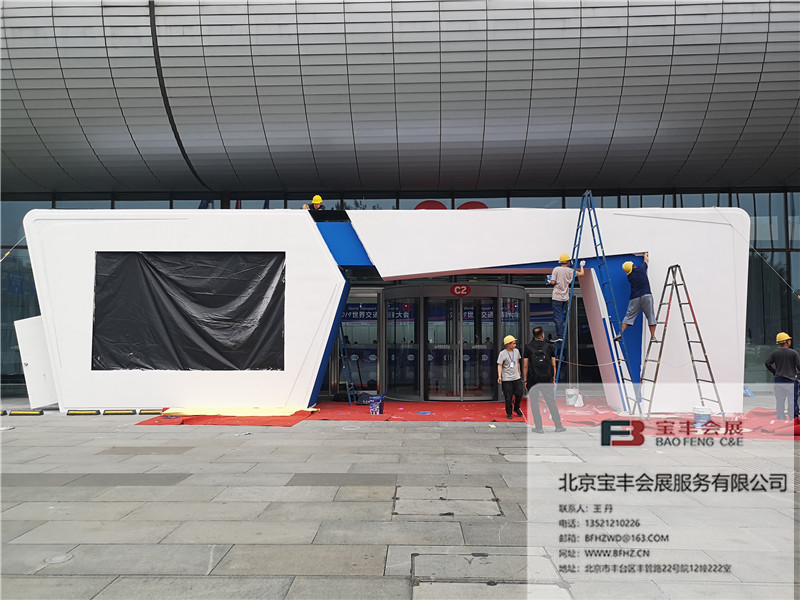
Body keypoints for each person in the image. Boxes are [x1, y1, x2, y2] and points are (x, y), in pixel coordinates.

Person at [523, 327, 566, 433]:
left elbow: (525, 365)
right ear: (543, 335)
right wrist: (553, 378)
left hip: (533, 379)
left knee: (534, 403)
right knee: (551, 402)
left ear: (533, 336)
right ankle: (558, 426)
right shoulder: (549, 346)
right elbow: (553, 365)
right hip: (547, 379)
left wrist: (525, 380)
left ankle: (539, 427)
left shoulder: (528, 347)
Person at [614, 252, 657, 343]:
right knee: (650, 316)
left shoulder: (629, 277)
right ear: (633, 266)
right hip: (646, 296)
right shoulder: (641, 269)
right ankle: (653, 336)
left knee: (628, 316)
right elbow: (646, 261)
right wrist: (645, 254)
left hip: (635, 298)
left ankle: (620, 333)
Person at [764, 332, 800, 421]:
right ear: (787, 341)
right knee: (792, 401)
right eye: (789, 340)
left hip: (779, 380)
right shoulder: (793, 353)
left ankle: (780, 418)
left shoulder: (775, 353)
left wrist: (775, 371)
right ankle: (793, 418)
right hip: (791, 381)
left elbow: (767, 363)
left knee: (780, 401)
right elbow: (799, 366)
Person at [549, 254, 585, 343]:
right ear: (568, 262)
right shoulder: (570, 271)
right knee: (561, 316)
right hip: (565, 297)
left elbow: (553, 282)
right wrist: (581, 265)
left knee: (558, 317)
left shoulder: (556, 269)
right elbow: (581, 274)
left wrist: (549, 281)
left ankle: (559, 336)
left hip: (557, 296)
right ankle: (560, 335)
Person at [497, 334, 524, 420]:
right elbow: (500, 365)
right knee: (508, 396)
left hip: (516, 377)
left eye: (515, 343)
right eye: (513, 343)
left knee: (519, 393)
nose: (514, 345)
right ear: (508, 344)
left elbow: (518, 362)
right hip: (507, 378)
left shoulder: (516, 351)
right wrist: (499, 376)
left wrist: (519, 373)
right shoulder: (502, 353)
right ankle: (509, 412)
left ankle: (516, 407)